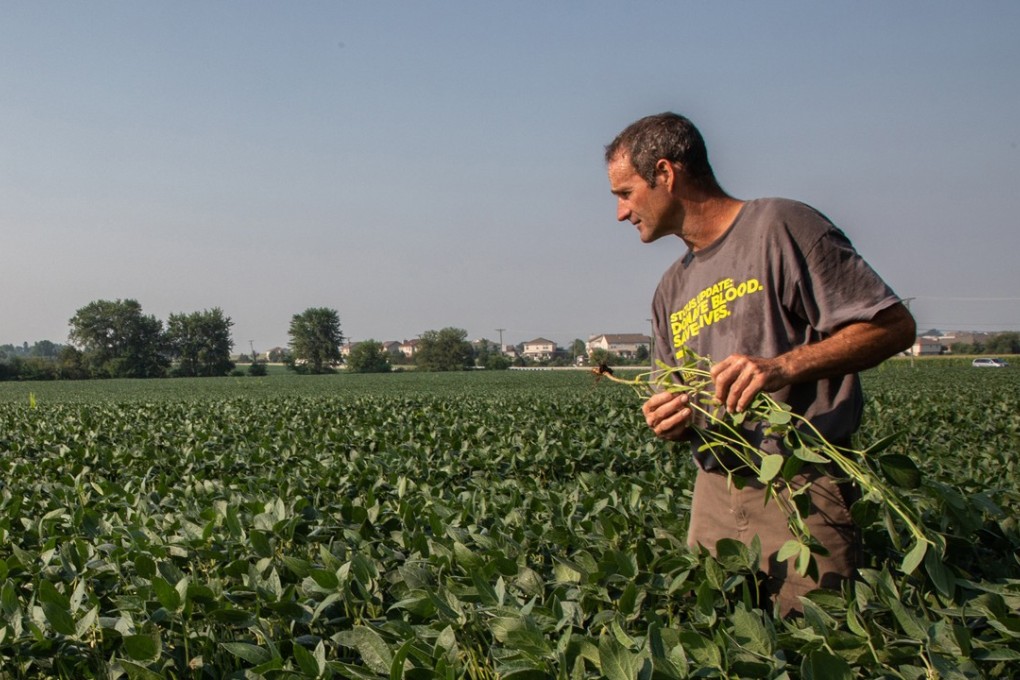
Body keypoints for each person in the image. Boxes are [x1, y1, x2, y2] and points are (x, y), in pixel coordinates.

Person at [605, 112, 916, 614]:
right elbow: (680, 396)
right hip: (715, 492)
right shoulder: (671, 288)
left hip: (801, 486)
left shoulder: (781, 227)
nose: (621, 213)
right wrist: (673, 420)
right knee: (722, 640)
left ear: (665, 173)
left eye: (624, 193)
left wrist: (784, 367)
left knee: (816, 641)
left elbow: (893, 326)